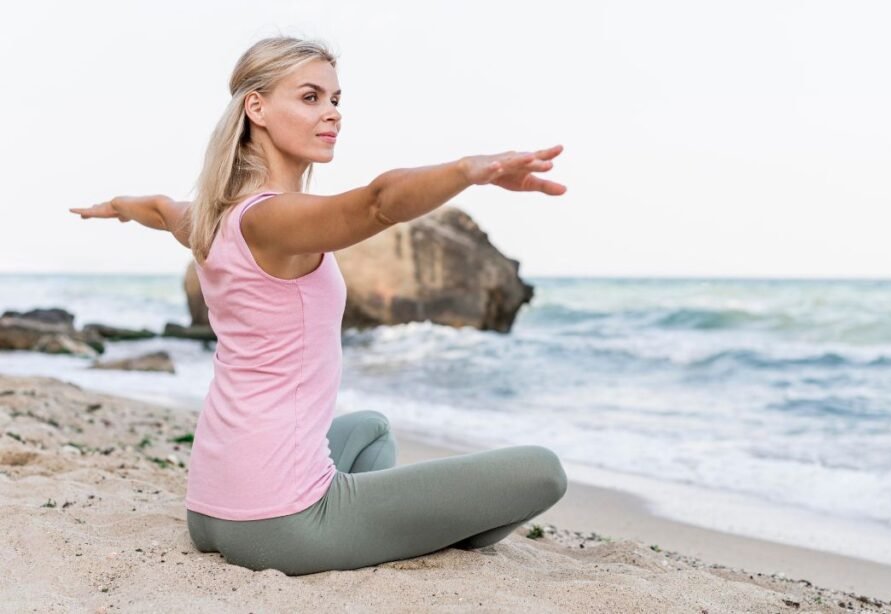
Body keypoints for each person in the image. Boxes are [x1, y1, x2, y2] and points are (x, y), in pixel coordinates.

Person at [69, 35, 568, 575]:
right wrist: (473, 169)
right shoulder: (274, 219)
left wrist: (115, 208)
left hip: (211, 507)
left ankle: (387, 526)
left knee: (372, 427)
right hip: (280, 522)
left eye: (335, 100)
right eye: (310, 97)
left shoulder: (209, 218)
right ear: (255, 107)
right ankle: (429, 536)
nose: (331, 114)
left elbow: (158, 208)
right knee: (543, 472)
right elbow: (379, 202)